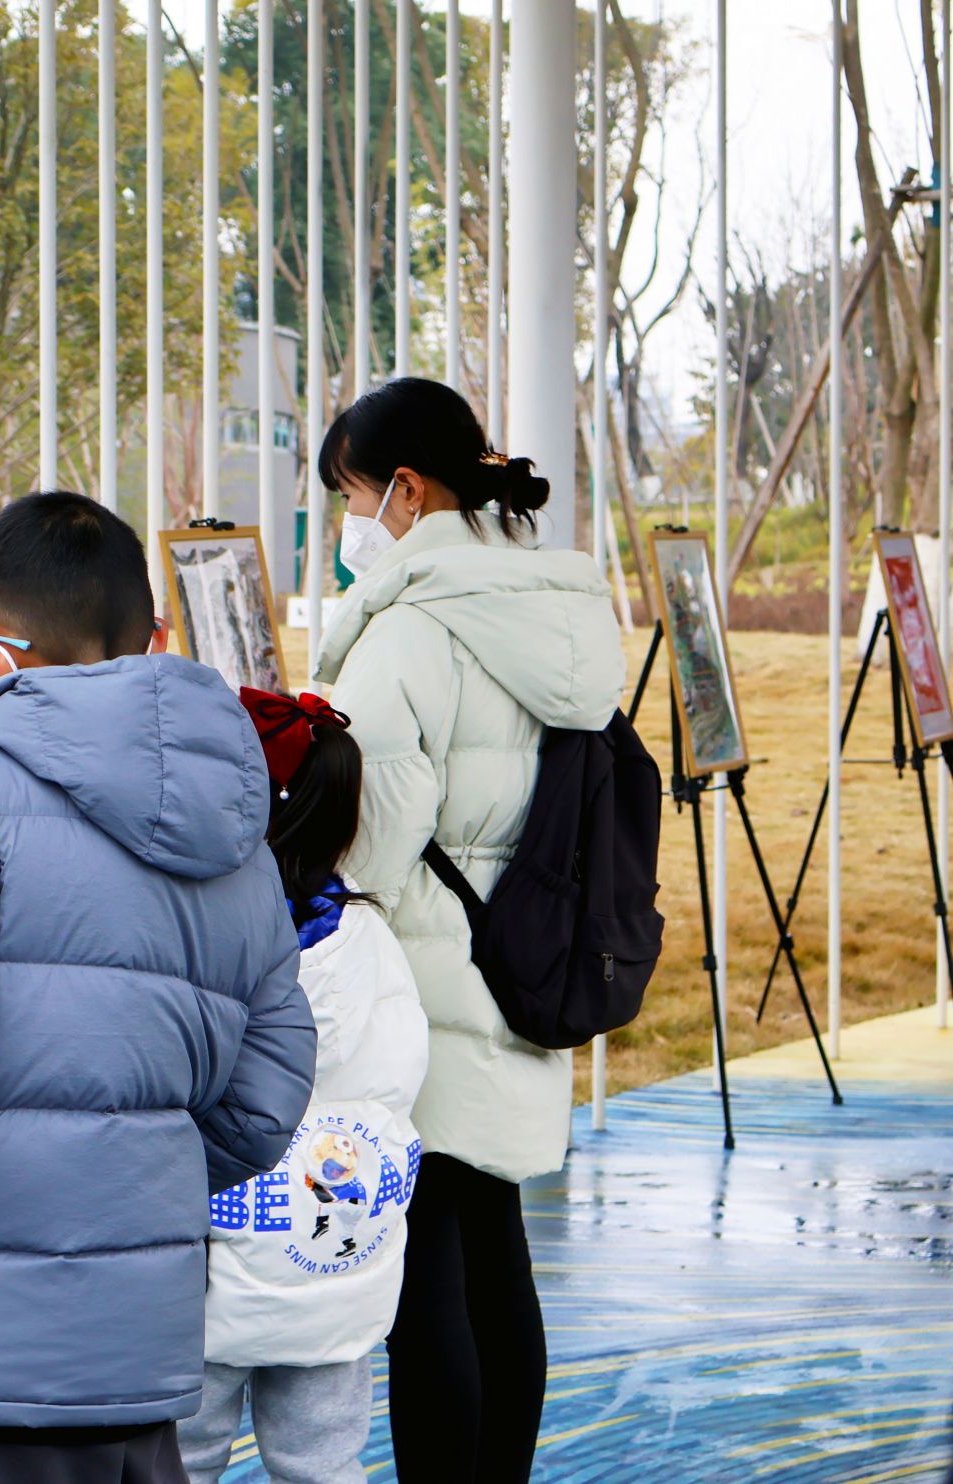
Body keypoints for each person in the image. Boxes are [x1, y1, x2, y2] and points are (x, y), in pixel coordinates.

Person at [0, 490, 318, 1484]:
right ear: (154, 635)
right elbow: (267, 1080)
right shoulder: (232, 817)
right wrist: (130, 1173)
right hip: (136, 1347)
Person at [313, 377, 624, 1483]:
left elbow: (373, 842)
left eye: (346, 495)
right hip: (525, 960)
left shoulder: (405, 636)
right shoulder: (554, 612)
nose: (342, 526)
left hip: (426, 979)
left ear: (402, 492)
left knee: (425, 1275)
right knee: (497, 1250)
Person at [178, 687, 428, 1484]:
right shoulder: (372, 939)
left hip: (213, 1275)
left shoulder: (208, 940)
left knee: (178, 1459)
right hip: (336, 1265)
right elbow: (400, 1081)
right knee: (324, 1462)